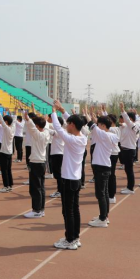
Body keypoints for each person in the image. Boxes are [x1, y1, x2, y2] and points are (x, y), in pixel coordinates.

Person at [50, 100, 88, 251]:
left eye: (68, 123)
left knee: (68, 211)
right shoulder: (82, 136)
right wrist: (62, 110)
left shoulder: (72, 139)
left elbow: (58, 128)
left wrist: (54, 111)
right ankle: (75, 237)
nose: (66, 125)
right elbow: (74, 122)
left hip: (69, 179)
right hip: (75, 179)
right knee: (74, 210)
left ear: (72, 125)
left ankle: (70, 239)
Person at [86, 111, 119, 228]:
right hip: (104, 166)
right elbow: (94, 126)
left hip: (101, 167)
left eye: (99, 124)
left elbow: (91, 124)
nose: (97, 126)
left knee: (101, 194)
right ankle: (104, 216)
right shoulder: (109, 135)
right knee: (104, 193)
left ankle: (103, 219)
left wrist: (88, 116)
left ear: (104, 126)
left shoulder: (104, 135)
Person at [23, 111, 51, 219]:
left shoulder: (38, 134)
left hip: (36, 163)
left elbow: (32, 127)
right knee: (41, 187)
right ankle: (41, 209)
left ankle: (36, 210)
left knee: (35, 188)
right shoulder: (46, 132)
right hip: (41, 162)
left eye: (36, 125)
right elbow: (45, 126)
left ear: (38, 126)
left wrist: (28, 119)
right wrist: (44, 120)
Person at [0, 106, 16, 193]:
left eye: (4, 120)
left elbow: (2, 121)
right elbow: (14, 120)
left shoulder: (7, 129)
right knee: (8, 169)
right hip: (9, 152)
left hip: (4, 152)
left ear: (6, 122)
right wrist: (14, 111)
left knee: (4, 170)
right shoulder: (13, 127)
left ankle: (6, 186)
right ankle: (10, 185)